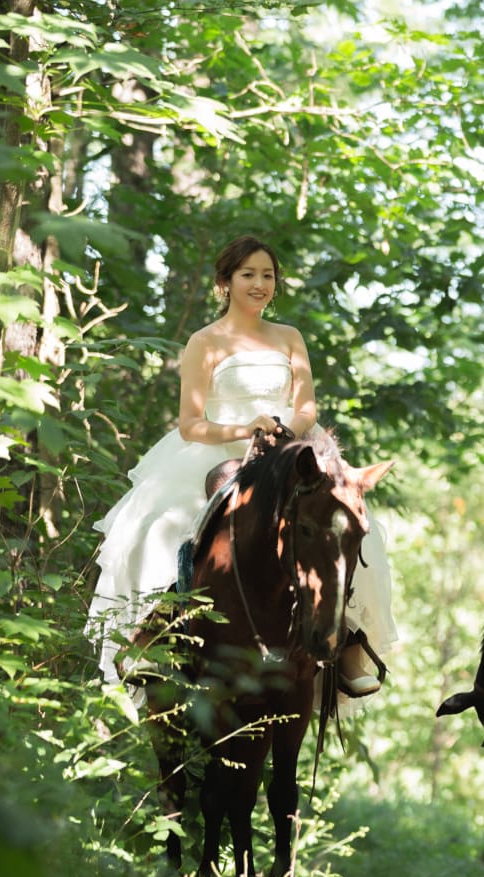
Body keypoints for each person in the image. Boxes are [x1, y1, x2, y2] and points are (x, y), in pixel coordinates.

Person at [85, 235, 396, 700]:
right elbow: (191, 424)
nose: (259, 283)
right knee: (162, 524)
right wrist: (244, 428)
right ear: (224, 282)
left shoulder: (289, 337)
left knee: (349, 522)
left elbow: (306, 407)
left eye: (267, 275)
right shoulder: (204, 342)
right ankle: (156, 629)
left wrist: (285, 433)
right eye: (248, 274)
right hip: (220, 447)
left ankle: (345, 636)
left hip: (291, 449)